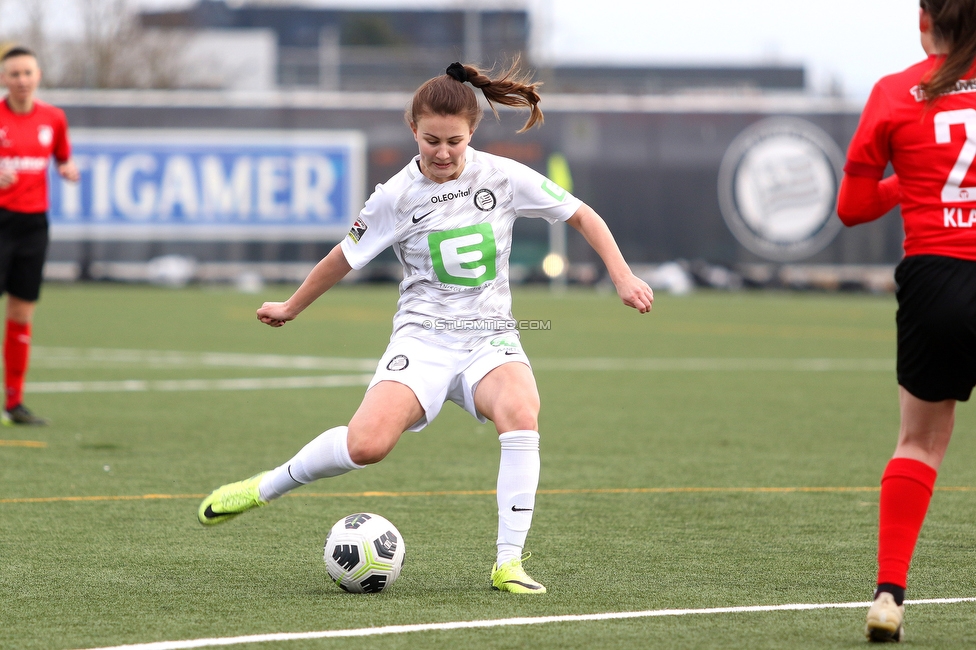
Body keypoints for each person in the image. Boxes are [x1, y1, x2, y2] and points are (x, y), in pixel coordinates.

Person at [198, 61, 653, 593]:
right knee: (366, 446)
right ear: (413, 129)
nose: (442, 152)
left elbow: (582, 215)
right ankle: (264, 488)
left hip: (489, 336)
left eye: (454, 142)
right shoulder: (395, 195)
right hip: (423, 339)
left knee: (522, 414)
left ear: (472, 134)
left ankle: (508, 562)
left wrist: (622, 276)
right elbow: (344, 256)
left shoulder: (503, 176)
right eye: (431, 139)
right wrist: (293, 305)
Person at [837, 0, 976, 641]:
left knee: (918, 443)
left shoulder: (894, 93)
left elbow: (854, 208)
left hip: (934, 281)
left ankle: (889, 594)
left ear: (925, 21)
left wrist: (911, 183)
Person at [0, 46, 79, 426]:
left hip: (33, 226)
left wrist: (67, 169)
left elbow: (63, 156)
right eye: (13, 74)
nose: (21, 80)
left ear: (38, 75)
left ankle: (14, 403)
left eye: (27, 73)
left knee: (21, 312)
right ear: (3, 79)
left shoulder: (53, 118)